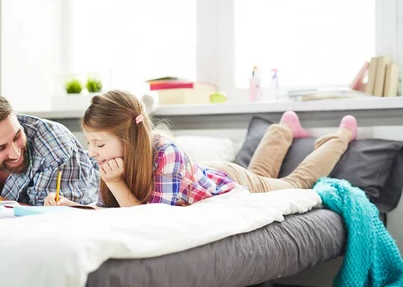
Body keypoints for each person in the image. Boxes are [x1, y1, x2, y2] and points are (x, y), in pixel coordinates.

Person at [44, 90, 357, 207]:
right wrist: (71, 206)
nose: (92, 151)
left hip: (229, 181)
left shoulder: (166, 153)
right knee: (262, 172)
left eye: (99, 143)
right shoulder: (116, 160)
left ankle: (340, 136)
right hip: (210, 176)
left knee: (293, 183)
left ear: (128, 138)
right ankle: (283, 129)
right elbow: (108, 212)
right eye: (89, 143)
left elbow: (151, 218)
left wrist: (115, 183)